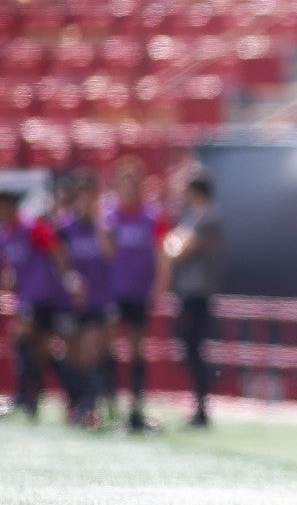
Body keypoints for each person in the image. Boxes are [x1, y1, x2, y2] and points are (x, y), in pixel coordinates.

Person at [0, 188, 84, 419]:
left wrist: (69, 279)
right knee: (39, 351)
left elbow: (56, 250)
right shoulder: (4, 233)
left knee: (24, 341)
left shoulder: (30, 227)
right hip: (27, 296)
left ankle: (28, 397)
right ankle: (66, 396)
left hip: (44, 294)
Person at [104, 158, 168, 431]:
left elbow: (161, 254)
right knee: (108, 348)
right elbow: (106, 253)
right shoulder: (110, 217)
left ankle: (136, 409)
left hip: (139, 292)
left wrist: (160, 287)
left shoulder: (152, 216)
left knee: (137, 351)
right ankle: (108, 407)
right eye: (124, 182)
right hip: (114, 292)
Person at [56, 170, 115, 428]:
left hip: (98, 301)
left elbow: (110, 255)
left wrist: (99, 223)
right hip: (71, 303)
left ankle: (89, 407)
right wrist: (70, 279)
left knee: (92, 351)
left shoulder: (105, 226)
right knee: (72, 356)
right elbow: (59, 261)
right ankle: (75, 402)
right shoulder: (64, 227)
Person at [163, 175, 222, 427]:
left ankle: (202, 406)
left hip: (198, 291)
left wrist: (175, 246)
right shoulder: (192, 216)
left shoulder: (208, 216)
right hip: (188, 289)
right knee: (189, 348)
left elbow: (179, 249)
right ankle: (199, 404)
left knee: (195, 347)